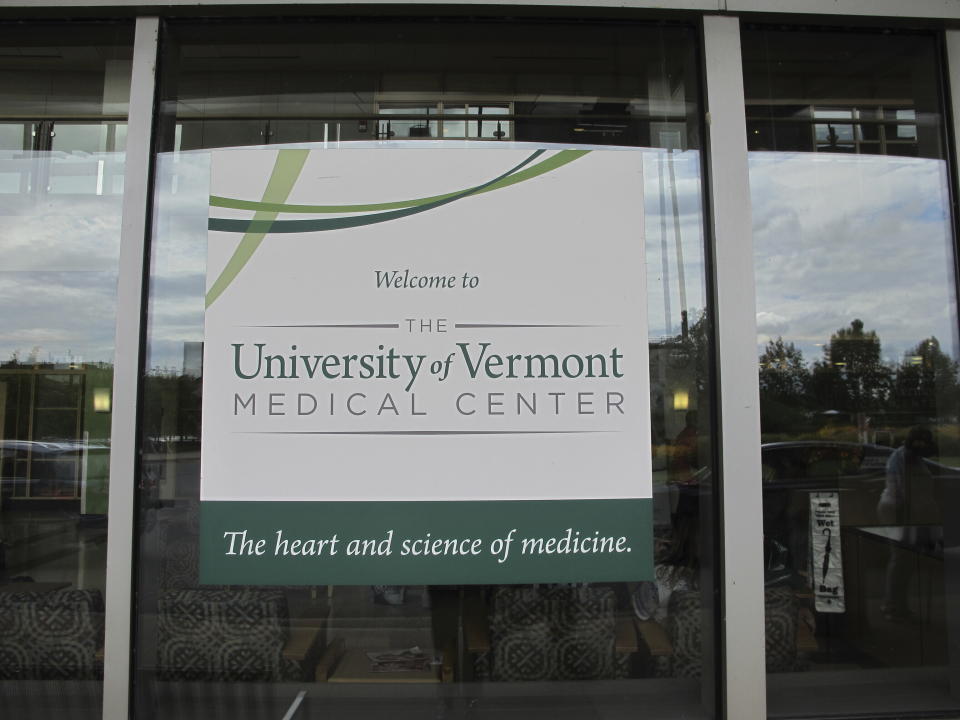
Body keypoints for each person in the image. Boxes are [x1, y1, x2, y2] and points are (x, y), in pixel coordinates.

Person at [877, 426, 939, 621]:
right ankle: (891, 606)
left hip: (908, 514)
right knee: (900, 559)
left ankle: (899, 605)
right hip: (899, 513)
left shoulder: (913, 459)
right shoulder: (902, 458)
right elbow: (902, 491)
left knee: (906, 561)